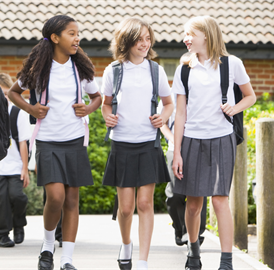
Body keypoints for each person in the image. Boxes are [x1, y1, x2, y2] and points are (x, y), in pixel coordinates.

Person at [8, 15, 102, 270]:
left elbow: (97, 97)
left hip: (75, 140)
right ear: (55, 38)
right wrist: (32, 108)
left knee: (72, 200)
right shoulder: (38, 69)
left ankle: (67, 258)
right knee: (56, 197)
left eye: (77, 33)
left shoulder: (80, 68)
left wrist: (88, 109)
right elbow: (13, 93)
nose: (77, 38)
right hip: (48, 141)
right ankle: (48, 244)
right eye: (71, 33)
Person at [171, 16, 256, 270]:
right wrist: (177, 152)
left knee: (220, 200)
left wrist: (235, 107)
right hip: (191, 140)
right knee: (194, 203)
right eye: (185, 34)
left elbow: (250, 96)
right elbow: (180, 114)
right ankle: (193, 253)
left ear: (206, 35)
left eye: (190, 34)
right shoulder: (184, 68)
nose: (186, 38)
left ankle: (226, 262)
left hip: (222, 138)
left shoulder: (232, 65)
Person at [101, 18, 174, 270]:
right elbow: (106, 103)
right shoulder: (114, 70)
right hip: (121, 144)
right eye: (139, 39)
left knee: (144, 203)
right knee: (125, 208)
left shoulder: (156, 70)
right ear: (126, 41)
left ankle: (142, 260)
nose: (145, 43)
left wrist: (162, 118)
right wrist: (107, 115)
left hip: (148, 144)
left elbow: (168, 103)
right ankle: (126, 244)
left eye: (147, 38)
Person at [0, 73, 31, 248]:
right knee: (0, 201)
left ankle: (19, 224)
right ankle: (1, 234)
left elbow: (23, 143)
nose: (3, 98)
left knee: (17, 196)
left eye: (6, 94)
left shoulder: (17, 113)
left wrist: (25, 169)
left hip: (15, 166)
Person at [160, 92, 207, 247]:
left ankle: (195, 233)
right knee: (174, 194)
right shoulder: (172, 93)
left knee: (198, 192)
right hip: (175, 148)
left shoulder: (204, 89)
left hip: (199, 147)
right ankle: (180, 228)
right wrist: (172, 138)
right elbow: (162, 122)